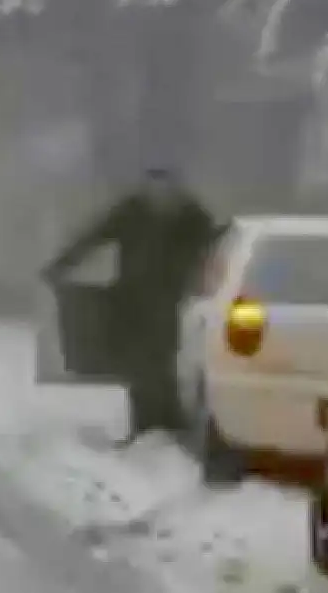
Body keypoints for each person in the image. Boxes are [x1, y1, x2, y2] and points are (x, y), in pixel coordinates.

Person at [41, 165, 221, 443]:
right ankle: (146, 426)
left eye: (166, 187)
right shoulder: (131, 211)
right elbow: (93, 236)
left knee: (163, 360)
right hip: (132, 298)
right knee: (137, 364)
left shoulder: (193, 219)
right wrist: (60, 266)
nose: (159, 194)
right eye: (154, 187)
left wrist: (209, 286)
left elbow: (215, 252)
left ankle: (168, 423)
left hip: (174, 299)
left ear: (177, 189)